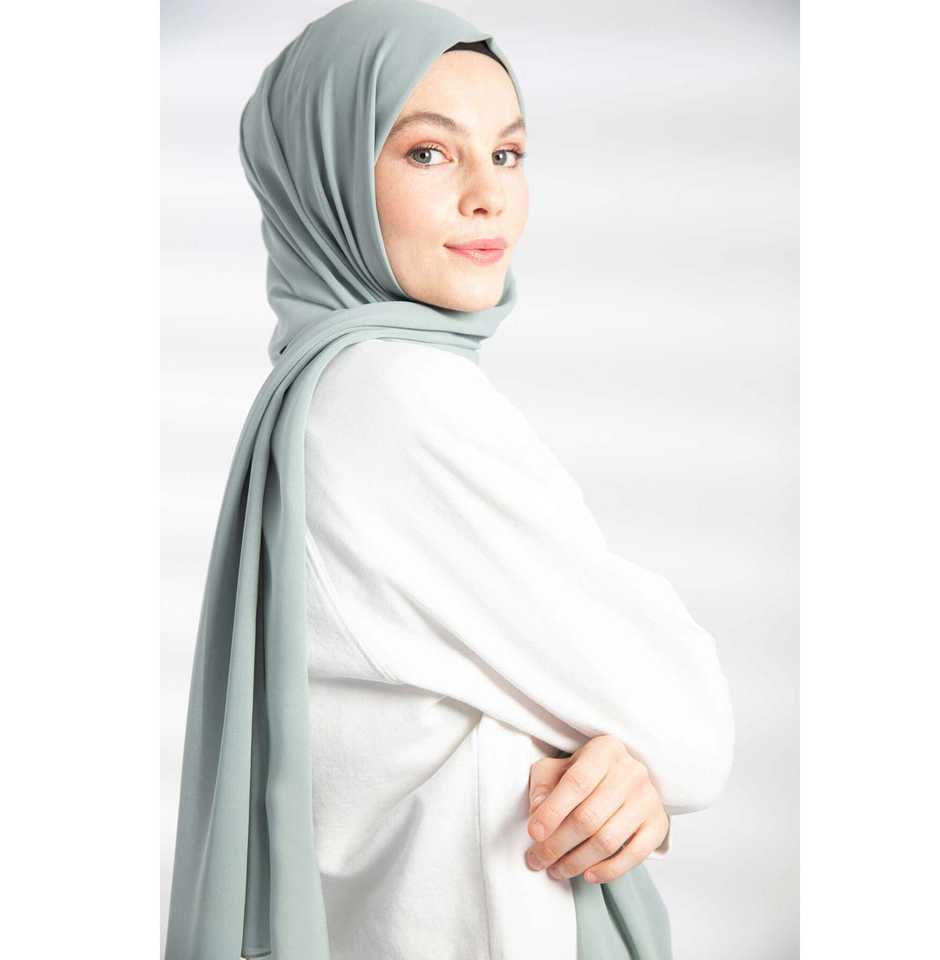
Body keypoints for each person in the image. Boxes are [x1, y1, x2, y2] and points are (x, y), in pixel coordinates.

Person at [163, 2, 735, 959]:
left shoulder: (315, 395)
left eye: (507, 154)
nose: (488, 196)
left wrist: (620, 771)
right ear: (326, 177)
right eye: (429, 153)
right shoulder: (393, 395)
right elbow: (691, 723)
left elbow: (646, 741)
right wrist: (631, 752)